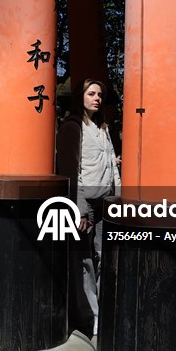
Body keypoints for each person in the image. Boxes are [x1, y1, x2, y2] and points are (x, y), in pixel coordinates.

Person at [56, 78, 121, 337]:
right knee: (85, 262)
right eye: (91, 93)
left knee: (106, 257)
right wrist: (79, 208)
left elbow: (112, 165)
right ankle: (90, 317)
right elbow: (71, 170)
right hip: (86, 203)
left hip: (107, 202)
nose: (97, 98)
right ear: (79, 97)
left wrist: (119, 197)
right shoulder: (72, 127)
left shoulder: (103, 127)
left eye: (100, 94)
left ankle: (104, 311)